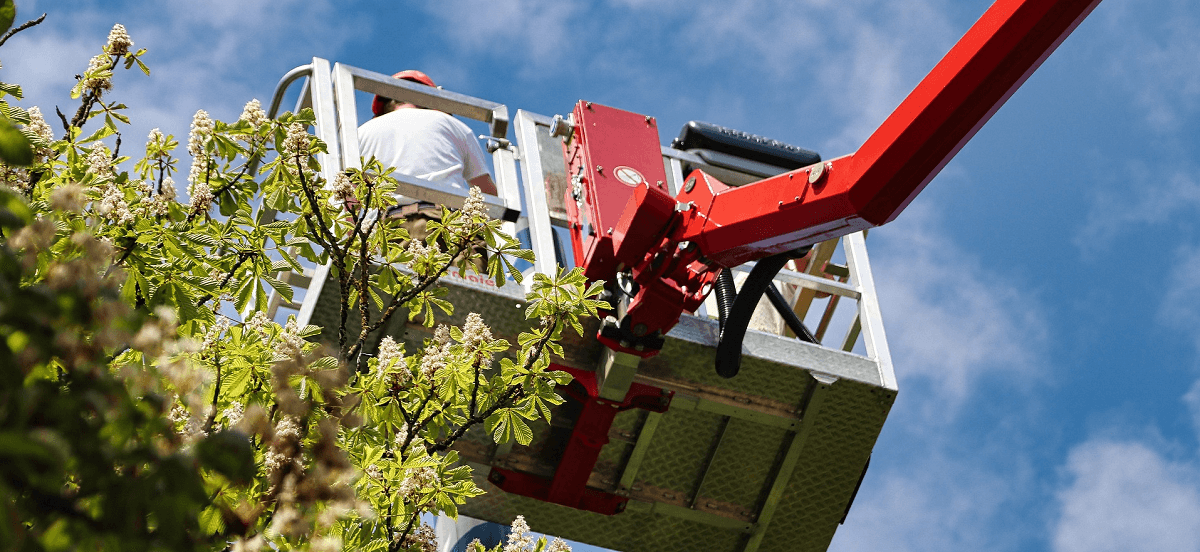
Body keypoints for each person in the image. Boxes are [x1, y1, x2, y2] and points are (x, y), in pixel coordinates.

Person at [358, 69, 496, 266]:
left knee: (393, 292)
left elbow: (348, 199)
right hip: (450, 224)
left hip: (389, 230)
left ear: (385, 103)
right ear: (431, 98)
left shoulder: (363, 132)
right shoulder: (451, 124)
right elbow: (486, 193)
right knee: (466, 289)